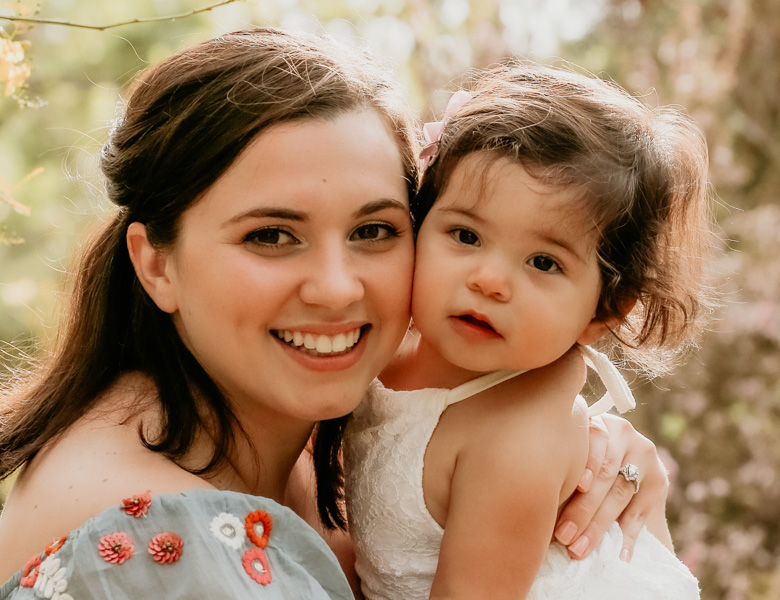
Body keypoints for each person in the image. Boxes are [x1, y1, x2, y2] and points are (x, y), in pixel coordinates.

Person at [0, 28, 671, 598]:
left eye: (373, 231)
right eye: (270, 236)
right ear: (156, 264)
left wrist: (582, 441)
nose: (336, 288)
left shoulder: (295, 438)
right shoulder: (163, 536)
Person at [343, 63, 714, 599]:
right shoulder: (381, 346)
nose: (490, 280)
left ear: (602, 313)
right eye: (466, 234)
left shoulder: (518, 444)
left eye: (543, 263)